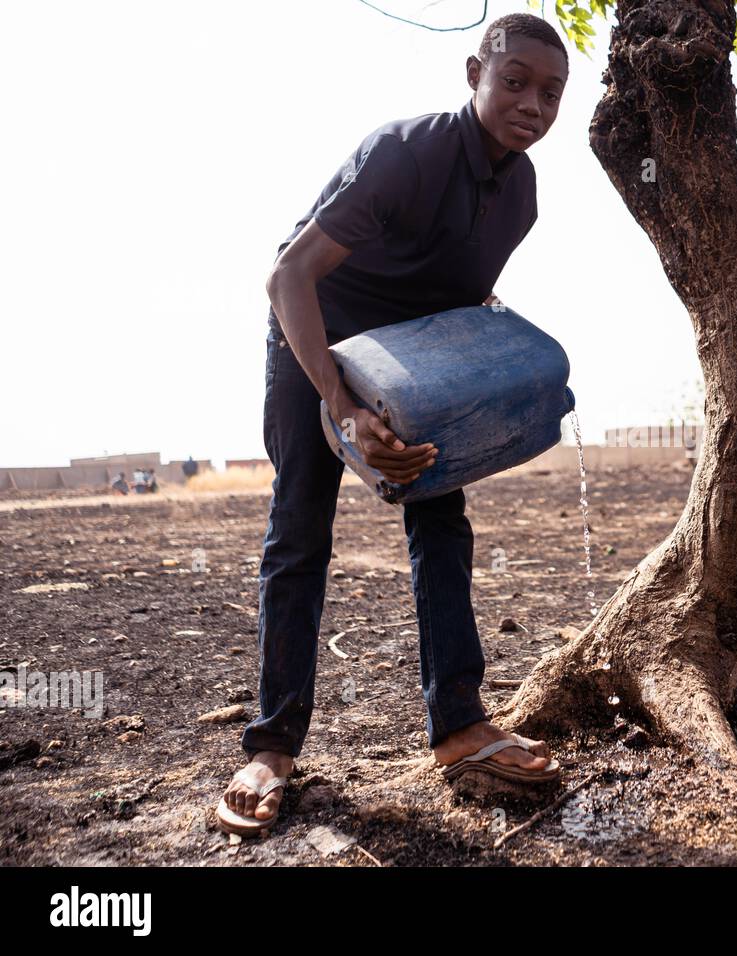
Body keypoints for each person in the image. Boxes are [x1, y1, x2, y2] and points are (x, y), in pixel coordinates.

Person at [218, 13, 568, 835]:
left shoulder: (521, 194)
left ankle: (458, 726)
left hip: (408, 364)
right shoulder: (402, 153)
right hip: (313, 338)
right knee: (299, 533)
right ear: (474, 72)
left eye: (551, 91)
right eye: (514, 79)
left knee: (442, 525)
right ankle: (270, 748)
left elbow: (461, 308)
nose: (532, 103)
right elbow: (287, 276)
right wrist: (342, 406)